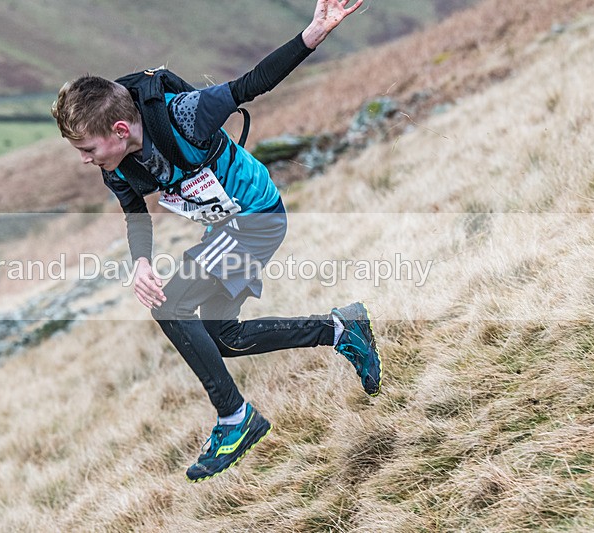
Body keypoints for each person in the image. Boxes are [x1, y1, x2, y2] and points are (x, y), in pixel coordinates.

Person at [52, 0, 381, 483]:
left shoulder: (184, 116)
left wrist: (313, 34)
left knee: (171, 306)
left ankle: (235, 418)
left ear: (119, 130)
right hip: (225, 229)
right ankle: (341, 329)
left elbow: (252, 83)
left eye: (87, 148)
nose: (84, 159)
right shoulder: (116, 165)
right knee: (224, 337)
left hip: (255, 218)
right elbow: (134, 212)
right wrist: (141, 262)